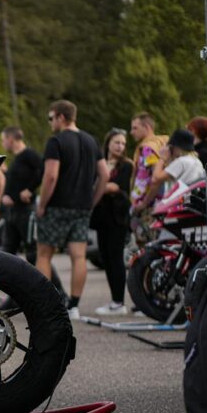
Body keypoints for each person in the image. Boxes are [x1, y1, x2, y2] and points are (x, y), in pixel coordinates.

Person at [36, 100, 110, 320]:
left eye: (51, 118)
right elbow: (104, 174)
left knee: (44, 254)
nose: (50, 123)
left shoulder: (56, 141)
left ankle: (43, 304)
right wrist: (93, 200)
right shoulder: (91, 141)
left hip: (57, 205)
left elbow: (50, 176)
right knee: (78, 256)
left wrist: (41, 204)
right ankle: (74, 306)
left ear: (60, 117)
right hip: (82, 206)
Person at [90, 129, 134, 316]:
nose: (120, 146)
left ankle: (119, 302)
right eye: (117, 142)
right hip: (101, 218)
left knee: (116, 259)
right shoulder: (99, 163)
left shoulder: (126, 165)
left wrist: (101, 187)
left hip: (118, 217)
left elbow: (116, 186)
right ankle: (114, 301)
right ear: (108, 143)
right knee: (106, 258)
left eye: (123, 143)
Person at [132, 129, 206, 215]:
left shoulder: (181, 161)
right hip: (189, 204)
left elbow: (156, 178)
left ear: (175, 147)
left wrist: (162, 158)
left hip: (175, 204)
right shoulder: (196, 161)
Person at [0, 126, 43, 263]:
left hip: (25, 212)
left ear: (11, 139)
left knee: (33, 253)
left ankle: (53, 285)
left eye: (3, 140)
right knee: (7, 252)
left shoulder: (29, 154)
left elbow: (44, 170)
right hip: (12, 213)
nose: (2, 143)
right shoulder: (16, 159)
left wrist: (30, 190)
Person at [128, 112, 168, 247]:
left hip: (148, 208)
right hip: (161, 203)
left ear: (146, 127)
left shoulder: (148, 148)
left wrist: (144, 203)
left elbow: (156, 178)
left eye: (135, 128)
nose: (131, 132)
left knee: (147, 248)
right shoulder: (161, 143)